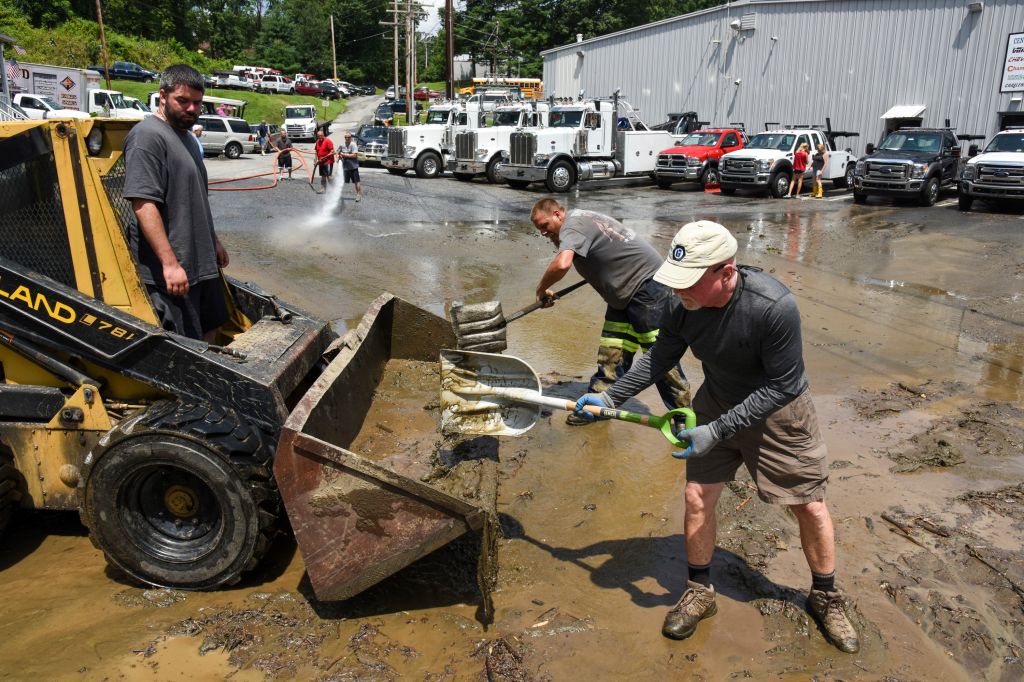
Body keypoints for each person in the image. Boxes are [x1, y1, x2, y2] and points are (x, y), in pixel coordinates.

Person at [574, 221, 859, 654]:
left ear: (725, 273)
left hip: (780, 413)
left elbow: (783, 386)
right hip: (717, 400)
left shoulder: (772, 306)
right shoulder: (680, 304)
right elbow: (660, 358)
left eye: (688, 282)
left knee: (809, 505)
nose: (678, 292)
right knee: (697, 496)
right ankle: (700, 591)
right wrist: (607, 395)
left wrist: (717, 430)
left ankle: (825, 594)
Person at [530, 198, 690, 426]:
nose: (544, 233)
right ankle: (596, 408)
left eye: (544, 226)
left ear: (557, 214)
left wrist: (540, 289)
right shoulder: (580, 220)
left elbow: (562, 264)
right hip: (623, 296)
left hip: (647, 290)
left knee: (659, 359)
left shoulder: (572, 225)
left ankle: (683, 418)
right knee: (611, 354)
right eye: (539, 230)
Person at [123, 64, 230, 342]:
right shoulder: (147, 136)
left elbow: (194, 198)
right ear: (162, 96)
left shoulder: (188, 139)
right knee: (187, 344)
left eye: (197, 102)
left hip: (200, 261)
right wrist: (169, 264)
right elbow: (143, 203)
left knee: (212, 327)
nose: (192, 109)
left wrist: (214, 241)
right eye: (182, 101)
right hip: (174, 268)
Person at [337, 131, 363, 202]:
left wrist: (344, 155)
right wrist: (338, 156)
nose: (347, 138)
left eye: (348, 137)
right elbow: (338, 152)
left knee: (356, 181)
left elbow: (354, 155)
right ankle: (336, 194)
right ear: (344, 138)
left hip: (353, 167)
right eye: (346, 137)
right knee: (340, 180)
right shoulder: (342, 144)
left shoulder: (353, 145)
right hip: (345, 167)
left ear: (350, 138)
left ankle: (358, 194)